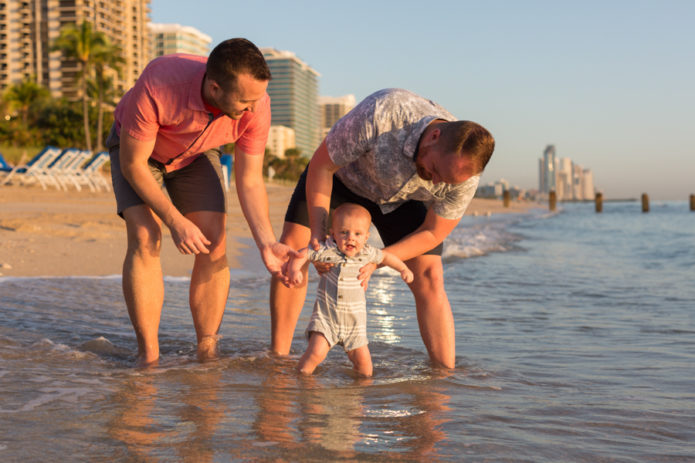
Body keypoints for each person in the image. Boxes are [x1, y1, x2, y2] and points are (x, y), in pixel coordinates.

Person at [270, 88, 495, 369]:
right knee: (295, 246)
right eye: (436, 169)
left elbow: (433, 232)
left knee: (430, 274)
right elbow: (321, 166)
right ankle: (278, 359)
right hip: (342, 181)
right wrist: (318, 233)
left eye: (447, 182)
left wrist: (378, 259)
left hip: (402, 201)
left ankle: (443, 377)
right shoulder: (384, 113)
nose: (437, 183)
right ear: (434, 136)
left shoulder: (462, 176)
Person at [106, 38, 297, 366]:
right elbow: (132, 165)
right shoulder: (161, 83)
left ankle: (207, 350)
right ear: (214, 87)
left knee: (214, 241)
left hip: (196, 154)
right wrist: (175, 220)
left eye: (257, 99)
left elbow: (249, 180)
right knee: (145, 235)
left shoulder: (256, 105)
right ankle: (148, 355)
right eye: (244, 101)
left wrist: (266, 242)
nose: (252, 109)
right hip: (139, 156)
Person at [288, 203, 413, 376]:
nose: (350, 238)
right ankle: (300, 382)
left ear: (367, 237)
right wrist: (295, 270)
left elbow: (386, 257)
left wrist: (403, 269)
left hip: (355, 326)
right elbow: (303, 254)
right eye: (344, 232)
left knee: (365, 367)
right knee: (315, 354)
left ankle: (358, 398)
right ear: (333, 233)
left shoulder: (368, 253)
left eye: (357, 234)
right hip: (327, 320)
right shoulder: (327, 250)